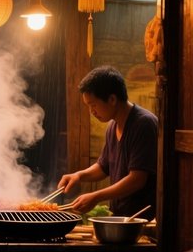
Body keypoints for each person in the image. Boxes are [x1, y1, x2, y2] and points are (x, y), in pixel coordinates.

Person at [58, 66, 157, 219]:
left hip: (143, 219)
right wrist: (78, 175)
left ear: (112, 99)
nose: (92, 111)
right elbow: (103, 167)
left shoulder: (144, 124)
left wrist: (96, 196)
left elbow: (137, 179)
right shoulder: (113, 126)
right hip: (121, 216)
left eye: (93, 105)